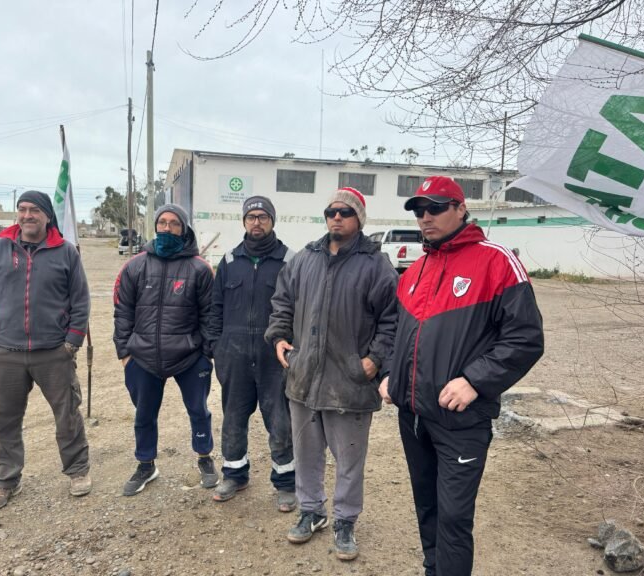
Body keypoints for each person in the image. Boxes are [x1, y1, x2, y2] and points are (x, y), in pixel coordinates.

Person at [379, 176, 544, 576]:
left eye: (435, 207)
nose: (425, 217)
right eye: (419, 210)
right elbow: (396, 332)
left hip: (461, 421)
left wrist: (474, 380)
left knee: (454, 518)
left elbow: (526, 338)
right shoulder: (416, 268)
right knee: (428, 508)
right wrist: (389, 374)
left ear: (460, 208)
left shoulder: (495, 260)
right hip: (413, 416)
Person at [265, 187, 398, 561]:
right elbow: (282, 303)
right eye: (331, 211)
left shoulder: (376, 264)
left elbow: (393, 319)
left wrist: (374, 358)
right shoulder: (305, 258)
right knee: (306, 453)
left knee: (349, 458)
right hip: (304, 378)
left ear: (359, 219)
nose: (336, 216)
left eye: (345, 211)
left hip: (351, 381)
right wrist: (278, 337)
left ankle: (344, 520)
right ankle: (311, 511)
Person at [0, 190, 91, 512]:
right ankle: (5, 480)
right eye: (22, 209)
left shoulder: (65, 252)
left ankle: (77, 470)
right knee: (4, 419)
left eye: (34, 210)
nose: (27, 215)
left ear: (47, 216)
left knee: (67, 415)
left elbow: (80, 300)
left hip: (53, 352)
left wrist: (72, 341)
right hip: (5, 353)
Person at [113, 204, 218, 495]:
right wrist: (125, 353)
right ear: (155, 226)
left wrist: (205, 355)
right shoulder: (135, 265)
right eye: (162, 222)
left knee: (198, 410)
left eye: (174, 224)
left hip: (189, 358)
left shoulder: (199, 268)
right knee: (144, 414)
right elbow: (123, 312)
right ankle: (146, 464)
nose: (167, 228)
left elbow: (210, 315)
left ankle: (204, 457)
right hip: (143, 358)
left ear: (184, 229)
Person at [208, 196, 297, 512]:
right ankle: (234, 474)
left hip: (275, 356)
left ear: (272, 221)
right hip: (234, 354)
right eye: (251, 217)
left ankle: (286, 483)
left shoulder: (290, 261)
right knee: (233, 417)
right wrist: (216, 346)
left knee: (280, 420)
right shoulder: (230, 262)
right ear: (244, 222)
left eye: (262, 216)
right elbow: (215, 307)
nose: (256, 222)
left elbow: (299, 310)